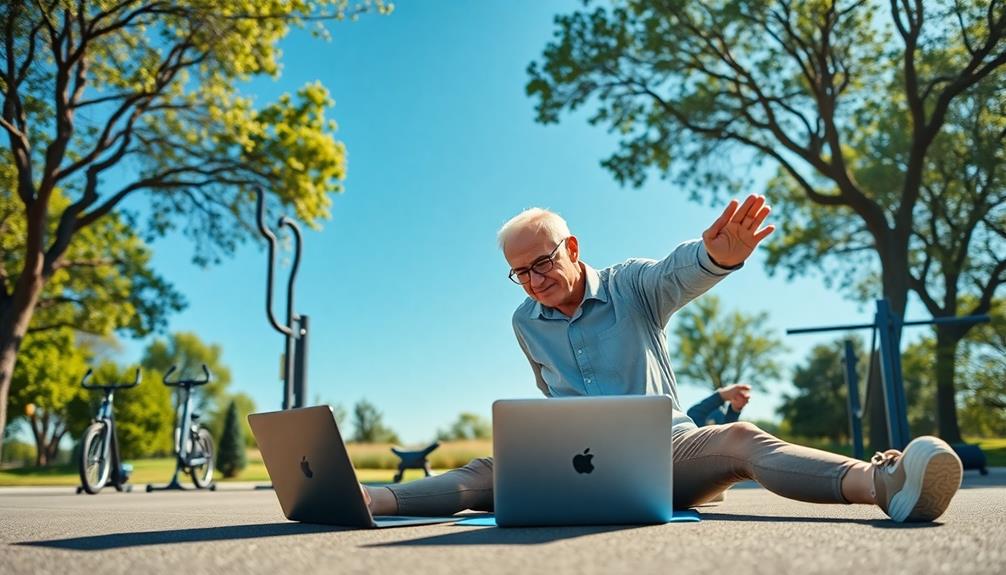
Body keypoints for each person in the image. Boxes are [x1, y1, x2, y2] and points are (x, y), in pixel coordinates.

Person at [362, 194, 963, 523]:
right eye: (519, 273)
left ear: (571, 248)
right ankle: (367, 501)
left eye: (542, 262)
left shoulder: (631, 287)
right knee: (483, 471)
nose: (533, 280)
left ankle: (884, 484)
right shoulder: (525, 321)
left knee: (741, 439)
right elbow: (548, 400)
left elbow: (680, 270)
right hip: (575, 463)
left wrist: (717, 257)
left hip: (667, 451)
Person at [686, 383, 751, 427]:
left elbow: (727, 432)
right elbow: (692, 418)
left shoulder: (720, 413)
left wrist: (735, 409)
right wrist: (721, 396)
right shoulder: (716, 413)